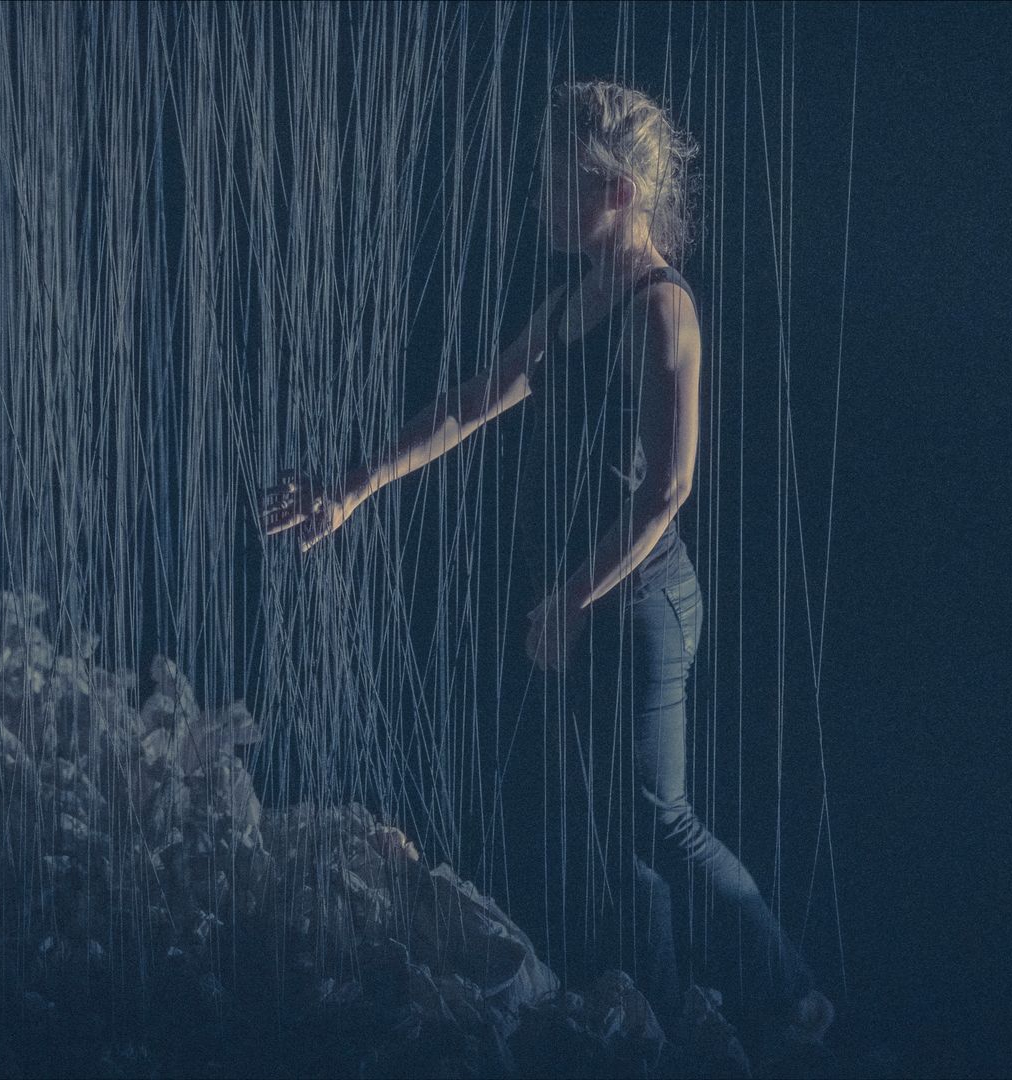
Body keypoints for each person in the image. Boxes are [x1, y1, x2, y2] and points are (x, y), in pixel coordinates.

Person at [259, 80, 833, 1054]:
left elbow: (669, 491)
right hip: (595, 602)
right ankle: (663, 1021)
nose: (538, 202)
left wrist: (573, 597)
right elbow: (469, 401)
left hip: (643, 602)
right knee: (618, 836)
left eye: (557, 184)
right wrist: (352, 489)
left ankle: (797, 1004)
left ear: (617, 191)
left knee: (662, 822)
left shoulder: (662, 309)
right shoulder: (577, 300)